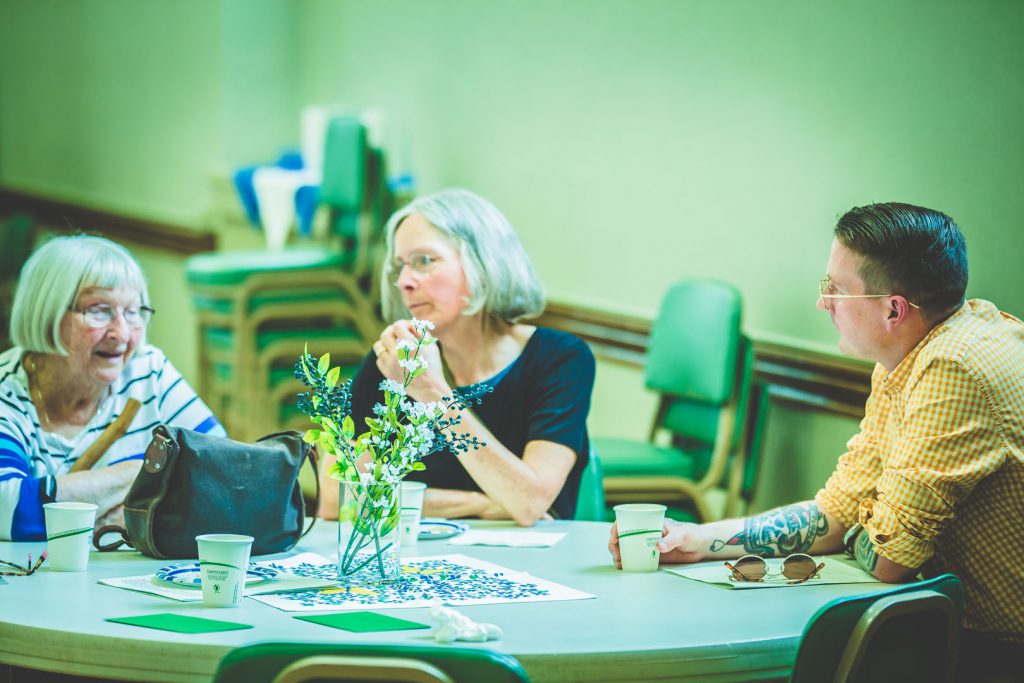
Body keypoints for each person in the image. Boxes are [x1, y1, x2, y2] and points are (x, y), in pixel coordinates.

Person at [608, 203, 1023, 676]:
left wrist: (859, 529)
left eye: (836, 290)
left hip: (998, 651)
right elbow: (839, 511)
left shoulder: (953, 368)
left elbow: (890, 560)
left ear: (894, 309)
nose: (823, 303)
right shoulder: (923, 348)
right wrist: (697, 539)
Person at [317, 188, 594, 526]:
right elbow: (335, 498)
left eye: (424, 261)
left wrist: (434, 394)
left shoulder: (560, 359)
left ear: (483, 264)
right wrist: (478, 504)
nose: (403, 281)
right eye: (400, 266)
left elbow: (528, 502)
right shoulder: (392, 363)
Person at [0, 235, 225, 541]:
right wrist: (138, 476)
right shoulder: (7, 392)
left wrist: (117, 515)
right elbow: (8, 508)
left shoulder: (148, 372)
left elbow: (221, 473)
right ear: (47, 312)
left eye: (133, 312)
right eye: (99, 310)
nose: (121, 333)